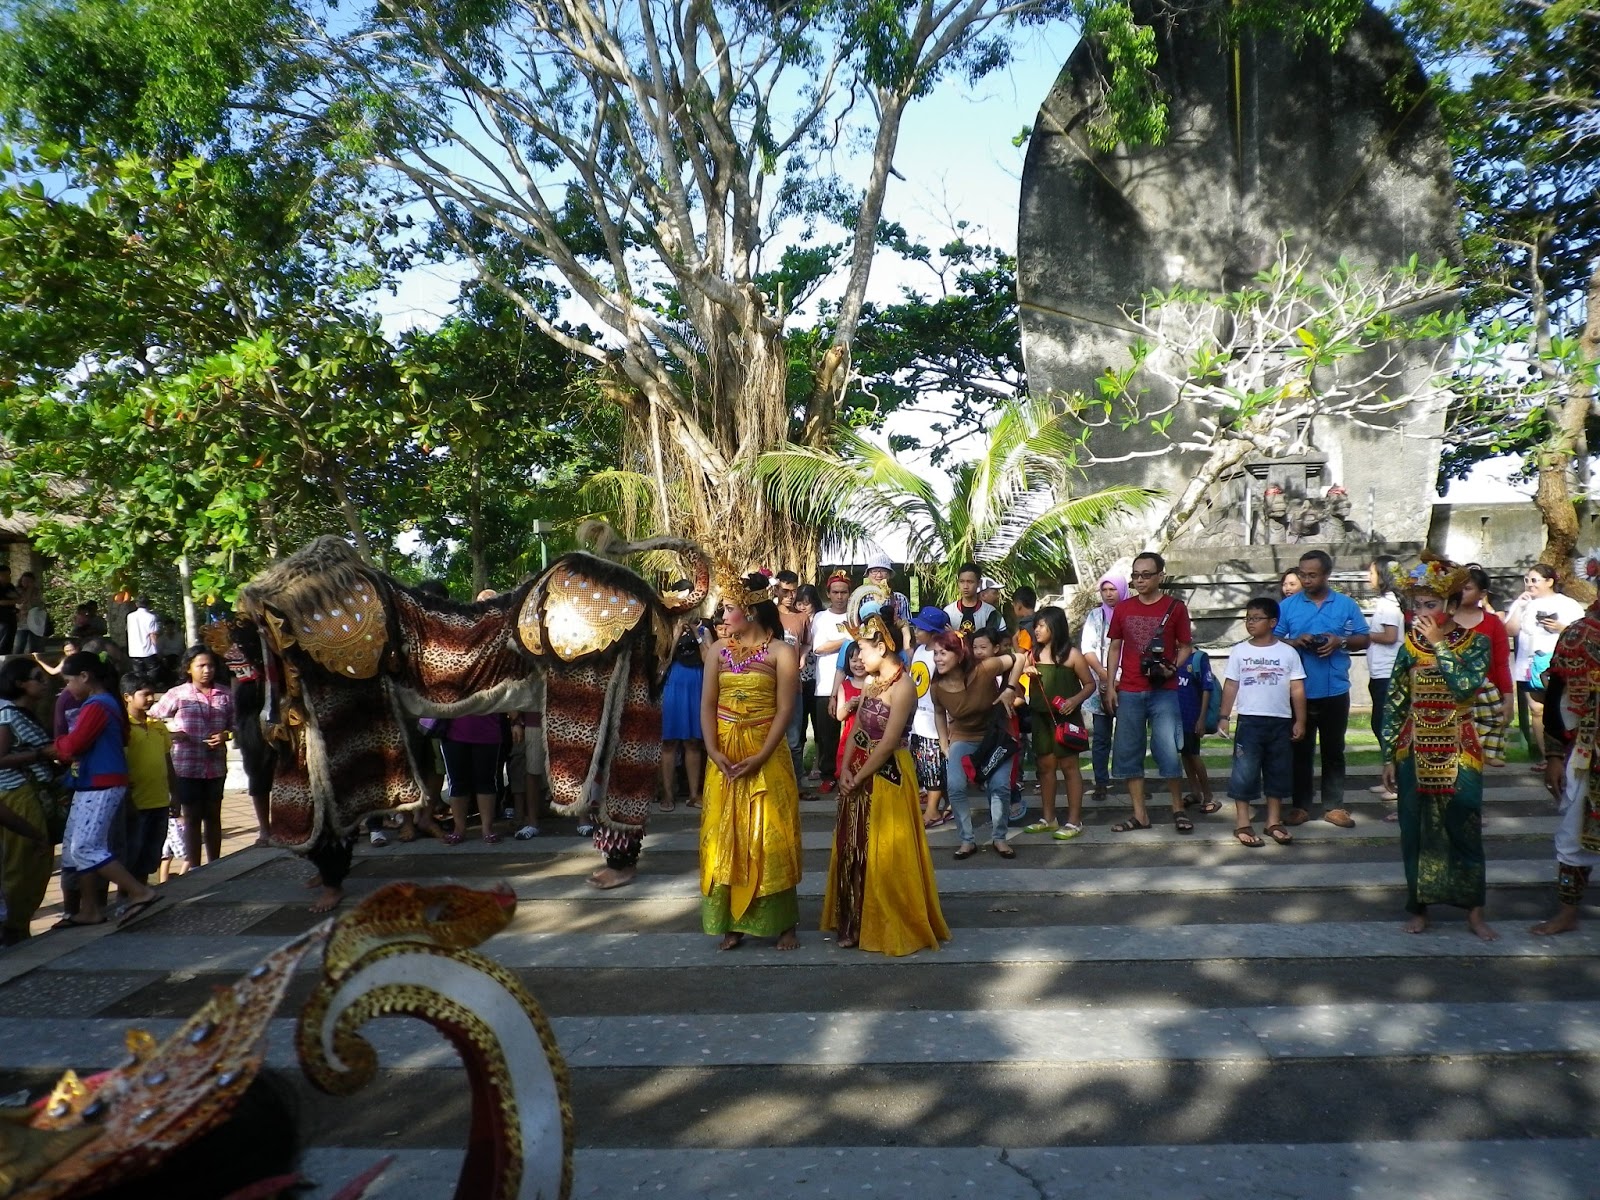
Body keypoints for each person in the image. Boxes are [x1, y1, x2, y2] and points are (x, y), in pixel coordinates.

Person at [821, 593, 950, 955]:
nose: (858, 657)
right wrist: (844, 768)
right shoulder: (871, 682)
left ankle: (886, 918)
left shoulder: (904, 686)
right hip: (858, 773)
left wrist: (858, 776)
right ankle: (854, 919)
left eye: (862, 648)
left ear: (882, 645)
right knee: (853, 846)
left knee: (885, 852)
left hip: (888, 776)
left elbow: (889, 741)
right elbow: (859, 729)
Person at [1379, 558, 1496, 941]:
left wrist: (1439, 646)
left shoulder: (1477, 643)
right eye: (1418, 605)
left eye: (1431, 605)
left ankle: (1475, 911)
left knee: (1465, 826)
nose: (1422, 612)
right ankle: (1419, 905)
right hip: (1414, 748)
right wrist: (1388, 755)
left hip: (1459, 748)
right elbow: (1396, 702)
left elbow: (1464, 687)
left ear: (1448, 605)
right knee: (1415, 830)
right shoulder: (1408, 648)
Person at [699, 571, 803, 951]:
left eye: (728, 609)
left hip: (767, 754)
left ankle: (783, 921)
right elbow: (708, 705)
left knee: (769, 835)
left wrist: (761, 755)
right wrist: (713, 750)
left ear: (751, 611)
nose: (723, 616)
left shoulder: (782, 652)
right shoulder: (716, 651)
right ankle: (732, 920)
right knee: (725, 834)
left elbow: (786, 710)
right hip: (724, 756)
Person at [52, 650, 162, 927]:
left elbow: (75, 744)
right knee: (78, 848)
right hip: (96, 781)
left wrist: (53, 748)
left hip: (101, 782)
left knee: (87, 847)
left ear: (84, 677)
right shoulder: (107, 702)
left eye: (68, 681)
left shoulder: (97, 705)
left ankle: (140, 891)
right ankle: (90, 909)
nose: (67, 688)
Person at [1273, 550, 1370, 828]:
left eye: (1312, 575)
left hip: (1335, 689)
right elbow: (1273, 639)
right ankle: (1300, 805)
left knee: (1333, 749)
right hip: (1299, 691)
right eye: (1302, 574)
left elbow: (1363, 638)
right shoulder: (1289, 606)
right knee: (1299, 750)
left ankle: (1334, 805)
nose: (1305, 579)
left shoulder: (1345, 604)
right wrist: (1295, 641)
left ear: (1327, 575)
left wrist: (1339, 641)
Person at [1104, 551, 1195, 833]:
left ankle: (1178, 808)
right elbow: (1115, 648)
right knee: (1129, 752)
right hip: (1130, 689)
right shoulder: (1123, 608)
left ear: (1160, 576)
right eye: (1135, 575)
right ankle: (1140, 814)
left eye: (1146, 574)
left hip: (1163, 690)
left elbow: (1186, 646)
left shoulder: (1176, 607)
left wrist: (1172, 668)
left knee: (1169, 749)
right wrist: (1110, 685)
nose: (1140, 580)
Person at [1534, 571, 1600, 936]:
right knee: (1574, 835)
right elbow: (1558, 698)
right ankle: (1567, 912)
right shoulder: (1577, 633)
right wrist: (1555, 756)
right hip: (1588, 752)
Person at [1217, 597, 1307, 848]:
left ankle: (1273, 821)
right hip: (1249, 722)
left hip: (1280, 721)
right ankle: (1242, 823)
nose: (1250, 623)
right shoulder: (1240, 651)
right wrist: (1224, 717)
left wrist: (1300, 720)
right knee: (1244, 772)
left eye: (1256, 618)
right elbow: (1231, 684)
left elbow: (1297, 688)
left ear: (1273, 622)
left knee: (1278, 771)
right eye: (1247, 618)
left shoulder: (1287, 653)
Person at [930, 628, 1025, 860]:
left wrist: (1010, 689)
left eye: (943, 653)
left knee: (1000, 785)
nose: (938, 659)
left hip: (995, 737)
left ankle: (999, 837)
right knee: (954, 786)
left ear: (959, 655)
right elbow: (939, 713)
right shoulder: (937, 688)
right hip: (963, 738)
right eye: (935, 654)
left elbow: (1020, 658)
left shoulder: (984, 670)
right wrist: (944, 743)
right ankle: (967, 840)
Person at [150, 646, 236, 870]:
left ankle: (216, 864)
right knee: (191, 818)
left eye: (210, 665)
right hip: (186, 766)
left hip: (215, 765)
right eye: (201, 666)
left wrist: (225, 735)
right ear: (188, 668)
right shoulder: (177, 694)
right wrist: (172, 735)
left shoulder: (225, 694)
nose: (207, 670)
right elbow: (150, 719)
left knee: (213, 816)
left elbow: (236, 724)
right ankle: (196, 868)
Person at [1019, 605, 1096, 839]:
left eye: (1042, 625)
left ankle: (1074, 820)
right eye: (1036, 625)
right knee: (1045, 767)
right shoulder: (1032, 654)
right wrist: (1026, 670)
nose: (1037, 630)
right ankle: (1048, 818)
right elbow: (1019, 676)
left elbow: (1090, 684)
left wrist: (1074, 700)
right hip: (1041, 719)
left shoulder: (1072, 655)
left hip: (1066, 719)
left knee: (1070, 768)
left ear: (1055, 626)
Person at [0, 657, 57, 943]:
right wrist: (40, 755)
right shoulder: (7, 713)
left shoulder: (24, 711)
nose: (45, 682)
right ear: (21, 683)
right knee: (23, 863)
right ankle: (14, 927)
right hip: (16, 793)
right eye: (38, 677)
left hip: (28, 793)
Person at [1505, 563, 1584, 765]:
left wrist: (1560, 627)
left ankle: (1565, 755)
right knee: (1536, 709)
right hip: (1528, 663)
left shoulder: (1567, 604)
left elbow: (1581, 631)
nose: (1530, 585)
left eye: (1534, 580)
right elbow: (1510, 630)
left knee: (1558, 707)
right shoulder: (1523, 602)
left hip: (1555, 663)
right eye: (1526, 580)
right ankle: (1545, 757)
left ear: (1549, 581)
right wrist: (1519, 607)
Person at [1452, 565, 1513, 768]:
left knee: (1488, 759)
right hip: (1452, 692)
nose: (1462, 592)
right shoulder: (1443, 621)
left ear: (1483, 593)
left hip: (1487, 693)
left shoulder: (1493, 623)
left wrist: (1508, 698)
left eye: (1467, 588)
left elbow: (1502, 662)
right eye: (1459, 587)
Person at [121, 675, 174, 886]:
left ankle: (142, 893)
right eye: (145, 694)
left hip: (160, 801)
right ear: (128, 697)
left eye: (152, 694)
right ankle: (128, 897)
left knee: (152, 855)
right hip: (136, 803)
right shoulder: (123, 728)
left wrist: (175, 794)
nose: (151, 698)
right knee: (132, 855)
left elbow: (167, 761)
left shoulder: (158, 726)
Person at [1081, 572, 1126, 804]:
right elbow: (1087, 649)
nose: (1109, 594)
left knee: (1129, 735)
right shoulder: (1095, 616)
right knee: (1101, 737)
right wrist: (1104, 676)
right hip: (1101, 682)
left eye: (1113, 589)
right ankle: (1101, 781)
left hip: (1128, 682)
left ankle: (1129, 780)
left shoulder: (1132, 613)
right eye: (1105, 590)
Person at [908, 606, 952, 828]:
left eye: (921, 628)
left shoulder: (942, 653)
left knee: (933, 765)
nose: (916, 631)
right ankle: (949, 803)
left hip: (934, 720)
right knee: (925, 765)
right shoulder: (919, 650)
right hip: (918, 718)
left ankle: (933, 811)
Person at [660, 609, 707, 813]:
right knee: (669, 742)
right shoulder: (665, 629)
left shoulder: (704, 628)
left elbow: (709, 657)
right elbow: (663, 660)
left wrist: (696, 634)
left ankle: (694, 794)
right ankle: (667, 794)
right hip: (672, 686)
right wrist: (676, 635)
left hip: (696, 685)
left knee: (693, 742)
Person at [1365, 556, 1404, 801]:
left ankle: (1397, 781)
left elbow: (1390, 636)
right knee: (1380, 724)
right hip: (1379, 670)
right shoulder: (1386, 602)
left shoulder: (1389, 604)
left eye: (1371, 573)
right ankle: (1389, 777)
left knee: (1386, 725)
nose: (1369, 578)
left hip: (1387, 671)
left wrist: (1363, 634)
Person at [810, 572, 853, 794]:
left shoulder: (856, 617)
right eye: (835, 592)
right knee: (827, 733)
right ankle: (828, 774)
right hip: (826, 685)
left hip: (855, 684)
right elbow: (819, 648)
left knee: (854, 731)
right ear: (828, 594)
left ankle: (850, 770)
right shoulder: (820, 618)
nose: (839, 597)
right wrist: (847, 641)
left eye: (843, 592)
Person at [441, 712, 507, 845]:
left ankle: (487, 829)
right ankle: (459, 829)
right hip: (453, 733)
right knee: (457, 781)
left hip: (488, 731)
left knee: (486, 781)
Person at [1176, 647, 1221, 816]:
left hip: (1191, 716)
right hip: (1176, 715)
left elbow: (1207, 687)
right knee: (1185, 753)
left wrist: (1201, 718)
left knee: (1193, 754)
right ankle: (1195, 791)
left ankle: (1208, 794)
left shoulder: (1198, 658)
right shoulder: (1170, 655)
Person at [778, 578, 813, 780]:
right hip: (771, 683)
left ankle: (797, 783)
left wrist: (802, 655)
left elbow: (807, 643)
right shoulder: (769, 615)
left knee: (794, 738)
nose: (790, 596)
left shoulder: (801, 618)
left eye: (793, 592)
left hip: (794, 684)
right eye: (785, 591)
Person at [832, 641, 868, 781]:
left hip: (869, 735)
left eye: (861, 660)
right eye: (854, 661)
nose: (858, 664)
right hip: (850, 736)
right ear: (848, 662)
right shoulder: (844, 686)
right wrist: (849, 705)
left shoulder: (874, 683)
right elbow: (840, 716)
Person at [944, 563, 997, 637]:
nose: (965, 586)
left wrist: (956, 634)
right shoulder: (948, 611)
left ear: (979, 583)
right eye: (962, 581)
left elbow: (991, 639)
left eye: (970, 582)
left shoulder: (989, 612)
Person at [864, 552, 912, 632]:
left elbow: (908, 625)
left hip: (896, 641)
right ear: (868, 575)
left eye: (883, 571)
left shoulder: (900, 598)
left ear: (889, 575)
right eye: (874, 571)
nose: (879, 575)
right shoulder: (862, 599)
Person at [126, 596, 161, 682]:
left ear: (136, 604)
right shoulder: (151, 617)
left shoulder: (130, 616)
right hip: (149, 651)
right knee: (152, 673)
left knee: (138, 675)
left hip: (134, 651)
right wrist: (158, 649)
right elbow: (153, 634)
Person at [13, 571, 46, 655]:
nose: (26, 584)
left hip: (34, 621)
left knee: (34, 646)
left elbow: (39, 604)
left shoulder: (37, 591)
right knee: (19, 645)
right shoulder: (17, 591)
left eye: (29, 581)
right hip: (21, 622)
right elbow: (21, 603)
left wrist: (31, 590)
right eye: (24, 581)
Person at [0, 566, 17, 654]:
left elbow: (17, 596)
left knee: (9, 642)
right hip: (2, 619)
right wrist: (13, 601)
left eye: (8, 575)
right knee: (2, 642)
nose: (7, 577)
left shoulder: (10, 586)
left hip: (11, 617)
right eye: (4, 575)